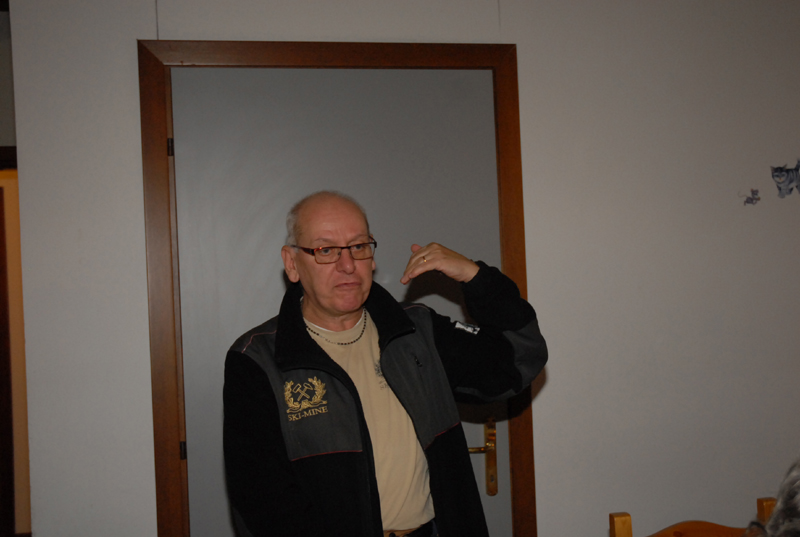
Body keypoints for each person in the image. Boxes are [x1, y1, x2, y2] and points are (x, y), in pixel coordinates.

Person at [223, 191, 547, 537]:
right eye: (326, 250)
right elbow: (262, 505)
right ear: (292, 263)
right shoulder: (257, 360)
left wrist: (475, 276)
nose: (347, 265)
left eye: (359, 246)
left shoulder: (415, 331)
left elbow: (520, 356)